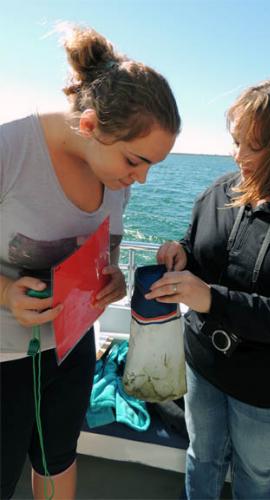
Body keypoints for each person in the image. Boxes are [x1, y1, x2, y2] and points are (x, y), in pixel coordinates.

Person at [0, 23, 180, 499]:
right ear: (89, 127)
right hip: (3, 356)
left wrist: (112, 280)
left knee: (58, 455)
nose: (140, 180)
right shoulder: (9, 150)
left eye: (152, 167)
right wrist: (3, 292)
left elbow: (106, 252)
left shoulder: (115, 179)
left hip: (72, 345)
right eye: (135, 161)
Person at [146, 76, 270, 499]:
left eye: (256, 146)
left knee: (254, 475)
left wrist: (211, 299)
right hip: (204, 366)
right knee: (202, 456)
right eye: (237, 141)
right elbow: (200, 249)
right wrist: (182, 253)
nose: (239, 156)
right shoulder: (217, 192)